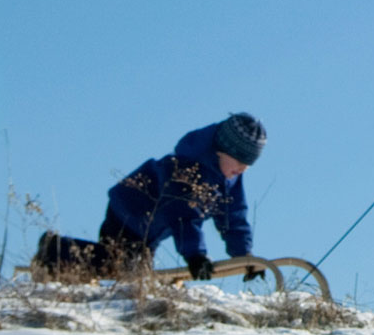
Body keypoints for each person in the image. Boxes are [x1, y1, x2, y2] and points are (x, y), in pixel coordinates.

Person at [32, 113, 268, 282]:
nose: (242, 171)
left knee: (134, 271)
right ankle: (54, 250)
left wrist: (243, 255)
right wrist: (195, 255)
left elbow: (234, 215)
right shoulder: (187, 169)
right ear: (221, 150)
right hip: (130, 211)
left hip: (151, 228)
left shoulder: (228, 177)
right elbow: (184, 215)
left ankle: (64, 258)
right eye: (239, 163)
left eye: (248, 166)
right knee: (120, 267)